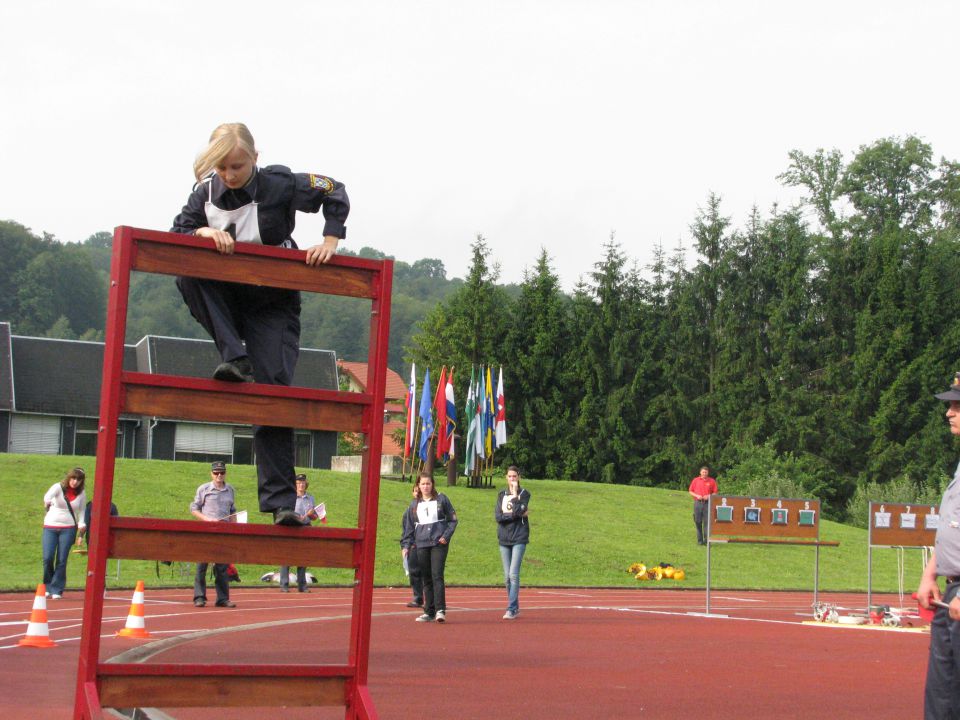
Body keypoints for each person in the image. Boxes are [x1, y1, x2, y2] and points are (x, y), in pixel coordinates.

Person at [171, 122, 349, 527]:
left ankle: (282, 503)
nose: (230, 175)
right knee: (187, 273)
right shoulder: (205, 195)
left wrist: (330, 240)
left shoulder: (281, 185)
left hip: (272, 304)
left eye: (237, 165)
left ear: (255, 157)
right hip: (228, 300)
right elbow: (176, 232)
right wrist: (202, 231)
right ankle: (234, 355)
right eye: (222, 168)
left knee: (273, 395)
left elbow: (333, 189)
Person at [918, 371, 960, 717]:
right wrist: (930, 574)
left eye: (958, 406)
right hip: (951, 597)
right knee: (942, 700)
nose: (949, 412)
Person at [401, 473, 457, 623]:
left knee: (436, 575)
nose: (425, 487)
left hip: (438, 543)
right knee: (426, 578)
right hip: (421, 544)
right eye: (423, 484)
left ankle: (440, 610)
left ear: (432, 485)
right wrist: (406, 545)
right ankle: (429, 611)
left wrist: (445, 536)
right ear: (418, 486)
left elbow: (453, 520)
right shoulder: (414, 505)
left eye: (428, 484)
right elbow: (409, 528)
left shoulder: (442, 499)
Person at [190, 461, 238, 608]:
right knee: (202, 565)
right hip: (206, 531)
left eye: (222, 473)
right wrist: (207, 519)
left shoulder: (230, 490)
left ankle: (222, 599)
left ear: (225, 473)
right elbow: (194, 508)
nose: (219, 475)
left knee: (222, 567)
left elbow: (232, 511)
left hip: (223, 532)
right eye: (216, 473)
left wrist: (234, 527)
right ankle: (199, 597)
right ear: (211, 474)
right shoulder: (204, 489)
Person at [41, 467, 87, 599]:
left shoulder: (81, 493)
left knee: (61, 560)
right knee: (48, 557)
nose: (75, 482)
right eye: (73, 478)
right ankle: (47, 585)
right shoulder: (58, 487)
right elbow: (47, 496)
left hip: (68, 528)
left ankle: (57, 588)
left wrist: (81, 524)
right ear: (69, 477)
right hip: (51, 525)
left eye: (78, 479)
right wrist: (47, 502)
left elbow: (82, 511)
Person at [495, 466, 531, 620]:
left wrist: (515, 495)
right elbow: (498, 517)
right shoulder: (501, 494)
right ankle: (514, 607)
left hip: (519, 537)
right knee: (506, 577)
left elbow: (518, 510)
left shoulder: (524, 494)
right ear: (506, 478)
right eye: (509, 476)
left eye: (514, 476)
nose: (512, 479)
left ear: (519, 477)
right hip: (504, 538)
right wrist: (514, 515)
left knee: (513, 574)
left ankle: (510, 608)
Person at [279, 474, 319, 593]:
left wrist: (312, 515)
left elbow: (315, 517)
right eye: (298, 483)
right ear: (295, 484)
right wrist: (296, 518)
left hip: (306, 528)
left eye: (303, 482)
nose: (301, 485)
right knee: (287, 557)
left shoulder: (310, 498)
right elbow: (284, 513)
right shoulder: (290, 497)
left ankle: (302, 585)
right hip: (292, 528)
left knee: (303, 558)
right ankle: (284, 584)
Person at [400, 484, 424, 609]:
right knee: (414, 571)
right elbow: (406, 530)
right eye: (415, 491)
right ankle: (417, 597)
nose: (417, 493)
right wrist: (405, 546)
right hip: (414, 544)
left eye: (418, 490)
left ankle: (435, 600)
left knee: (430, 572)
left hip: (427, 543)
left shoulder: (429, 506)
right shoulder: (409, 510)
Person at [688, 466, 718, 545]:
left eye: (706, 472)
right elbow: (690, 491)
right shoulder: (696, 480)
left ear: (708, 473)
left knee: (707, 522)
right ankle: (700, 541)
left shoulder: (712, 481)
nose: (704, 473)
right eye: (703, 472)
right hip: (698, 503)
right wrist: (697, 495)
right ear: (700, 472)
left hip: (707, 503)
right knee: (698, 521)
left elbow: (715, 492)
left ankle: (707, 541)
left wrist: (708, 496)